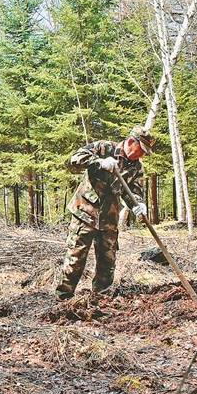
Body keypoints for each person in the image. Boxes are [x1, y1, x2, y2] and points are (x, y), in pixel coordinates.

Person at [56, 126, 156, 300]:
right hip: (85, 213)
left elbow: (134, 192)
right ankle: (63, 298)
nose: (141, 155)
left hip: (109, 218)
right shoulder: (104, 148)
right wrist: (98, 162)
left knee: (107, 262)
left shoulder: (136, 167)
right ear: (131, 142)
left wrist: (138, 205)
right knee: (76, 258)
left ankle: (101, 300)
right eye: (141, 150)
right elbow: (74, 160)